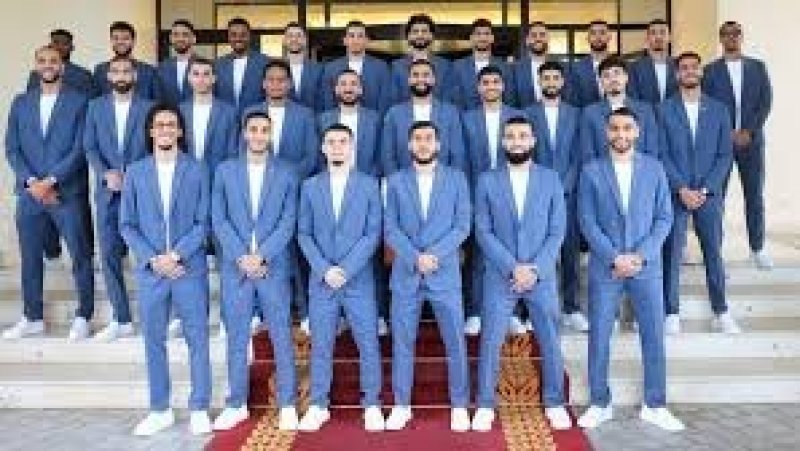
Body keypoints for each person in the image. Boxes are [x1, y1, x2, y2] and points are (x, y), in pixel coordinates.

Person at [576, 107, 683, 432]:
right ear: (606, 132)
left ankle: (655, 404)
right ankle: (599, 402)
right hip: (606, 268)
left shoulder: (654, 169)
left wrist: (640, 256)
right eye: (615, 128)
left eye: (627, 128)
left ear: (637, 132)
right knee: (599, 336)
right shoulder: (591, 171)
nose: (620, 134)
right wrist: (614, 257)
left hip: (646, 268)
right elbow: (587, 221)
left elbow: (664, 217)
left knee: (653, 336)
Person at [472, 116, 571, 432]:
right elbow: (483, 230)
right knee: (491, 340)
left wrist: (535, 268)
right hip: (501, 274)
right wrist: (512, 266)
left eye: (523, 136)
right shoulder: (487, 180)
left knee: (550, 339)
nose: (517, 141)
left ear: (533, 141)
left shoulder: (551, 179)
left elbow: (557, 230)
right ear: (503, 142)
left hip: (541, 276)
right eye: (511, 136)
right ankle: (485, 404)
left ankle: (554, 402)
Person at [120, 104, 212, 436]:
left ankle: (199, 407)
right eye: (159, 125)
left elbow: (204, 221)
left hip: (189, 269)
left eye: (171, 124)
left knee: (197, 339)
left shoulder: (197, 169)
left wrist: (176, 255)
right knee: (154, 341)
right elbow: (127, 225)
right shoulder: (136, 172)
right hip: (152, 272)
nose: (165, 130)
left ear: (180, 131)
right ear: (150, 131)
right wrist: (154, 259)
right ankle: (160, 410)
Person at [211, 110, 300, 431]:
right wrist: (241, 256)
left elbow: (288, 220)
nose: (259, 135)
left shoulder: (287, 172)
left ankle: (287, 404)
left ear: (270, 135)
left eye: (265, 130)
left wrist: (261, 256)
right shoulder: (225, 171)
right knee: (236, 337)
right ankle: (236, 404)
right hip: (236, 268)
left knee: (281, 335)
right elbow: (219, 218)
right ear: (245, 134)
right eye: (254, 129)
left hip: (272, 267)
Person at [384, 121, 472, 432]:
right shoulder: (395, 181)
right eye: (417, 139)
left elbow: (462, 225)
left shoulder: (457, 179)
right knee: (402, 342)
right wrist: (414, 257)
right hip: (406, 275)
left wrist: (434, 255)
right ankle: (401, 405)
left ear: (438, 144)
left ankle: (459, 405)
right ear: (410, 145)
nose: (423, 144)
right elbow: (390, 227)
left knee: (455, 342)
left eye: (428, 138)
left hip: (444, 273)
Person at [296, 124, 385, 432]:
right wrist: (325, 269)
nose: (337, 147)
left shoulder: (369, 185)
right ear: (323, 148)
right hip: (322, 280)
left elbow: (372, 233)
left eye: (342, 142)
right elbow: (304, 233)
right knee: (321, 345)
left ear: (352, 147)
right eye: (331, 142)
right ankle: (318, 405)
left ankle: (371, 404)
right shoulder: (310, 187)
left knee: (367, 343)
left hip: (357, 279)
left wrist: (345, 269)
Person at [3, 45, 94, 342]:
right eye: (42, 60)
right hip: (30, 194)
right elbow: (12, 148)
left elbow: (80, 148)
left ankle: (83, 315)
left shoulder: (80, 102)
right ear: (35, 65)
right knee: (30, 257)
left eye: (53, 61)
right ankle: (32, 317)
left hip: (66, 193)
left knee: (79, 255)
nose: (48, 65)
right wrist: (33, 182)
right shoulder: (21, 102)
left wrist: (52, 181)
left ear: (62, 66)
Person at [659, 52, 739, 334]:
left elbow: (725, 155)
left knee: (713, 251)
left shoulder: (719, 110)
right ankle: (671, 312)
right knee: (671, 252)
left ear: (701, 72)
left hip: (709, 194)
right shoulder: (664, 109)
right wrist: (681, 188)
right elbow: (662, 153)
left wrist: (705, 189)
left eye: (694, 67)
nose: (690, 71)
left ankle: (721, 310)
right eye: (684, 68)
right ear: (677, 74)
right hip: (676, 193)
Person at [84, 55, 153, 341]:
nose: (122, 75)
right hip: (108, 193)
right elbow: (89, 146)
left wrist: (132, 176)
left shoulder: (149, 108)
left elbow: (154, 147)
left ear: (135, 76)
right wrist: (106, 174)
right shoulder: (95, 107)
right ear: (109, 76)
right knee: (109, 256)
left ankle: (153, 316)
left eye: (127, 71)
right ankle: (121, 319)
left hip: (142, 195)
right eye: (116, 71)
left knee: (146, 255)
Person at [702, 20, 774, 269]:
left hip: (752, 142)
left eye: (736, 33)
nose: (731, 37)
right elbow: (707, 104)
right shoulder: (710, 71)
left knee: (754, 196)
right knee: (716, 198)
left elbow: (765, 102)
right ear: (720, 38)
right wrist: (727, 133)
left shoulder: (758, 67)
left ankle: (757, 249)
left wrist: (749, 131)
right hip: (721, 144)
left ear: (742, 37)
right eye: (726, 34)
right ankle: (716, 253)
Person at [525, 61, 589, 332]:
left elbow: (580, 154)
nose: (551, 82)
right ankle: (534, 310)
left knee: (570, 252)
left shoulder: (576, 114)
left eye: (555, 78)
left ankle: (572, 308)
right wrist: (545, 187)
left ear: (562, 82)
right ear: (539, 82)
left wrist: (564, 186)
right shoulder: (527, 113)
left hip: (568, 193)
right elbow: (525, 152)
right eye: (546, 78)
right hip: (536, 194)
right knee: (537, 251)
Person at [461, 65, 522, 335]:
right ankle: (475, 312)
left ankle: (514, 313)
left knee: (514, 252)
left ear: (503, 86)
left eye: (495, 81)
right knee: (477, 255)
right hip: (477, 192)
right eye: (485, 82)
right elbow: (461, 159)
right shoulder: (466, 118)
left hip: (512, 192)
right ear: (478, 88)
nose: (491, 86)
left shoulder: (517, 116)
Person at [381, 59, 465, 176]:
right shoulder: (393, 114)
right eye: (415, 75)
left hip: (443, 182)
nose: (420, 79)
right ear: (409, 80)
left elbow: (458, 155)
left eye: (426, 75)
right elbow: (387, 156)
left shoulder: (450, 113)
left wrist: (451, 181)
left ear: (434, 80)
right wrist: (397, 182)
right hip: (403, 183)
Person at [580, 56, 660, 161]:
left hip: (641, 170)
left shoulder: (646, 110)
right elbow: (588, 154)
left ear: (626, 77)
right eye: (606, 76)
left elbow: (652, 151)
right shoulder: (589, 113)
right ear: (600, 81)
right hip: (602, 170)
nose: (613, 79)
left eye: (617, 73)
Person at [320, 20, 392, 114]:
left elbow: (384, 102)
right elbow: (328, 102)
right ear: (345, 41)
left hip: (373, 121)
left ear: (366, 40)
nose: (355, 40)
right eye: (351, 36)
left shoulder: (381, 67)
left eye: (360, 36)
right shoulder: (330, 68)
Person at [451, 18, 515, 110]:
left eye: (486, 34)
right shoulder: (457, 67)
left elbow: (510, 100)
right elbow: (454, 101)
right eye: (478, 34)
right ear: (471, 38)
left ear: (492, 38)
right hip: (464, 117)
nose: (482, 38)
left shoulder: (505, 67)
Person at [390, 14, 454, 104]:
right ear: (408, 36)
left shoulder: (446, 66)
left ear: (432, 36)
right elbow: (393, 100)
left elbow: (449, 100)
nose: (420, 35)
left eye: (424, 31)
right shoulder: (396, 67)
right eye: (415, 31)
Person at [214, 17, 269, 113]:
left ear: (249, 36)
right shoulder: (218, 64)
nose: (238, 39)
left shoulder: (265, 62)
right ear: (228, 37)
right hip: (226, 117)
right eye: (233, 35)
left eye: (243, 35)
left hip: (256, 117)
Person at [94, 21, 160, 100]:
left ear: (133, 41)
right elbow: (96, 101)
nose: (120, 42)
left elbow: (156, 102)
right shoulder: (100, 70)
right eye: (116, 38)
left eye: (125, 38)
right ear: (111, 41)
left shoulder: (149, 71)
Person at [628, 19, 678, 104]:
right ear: (647, 38)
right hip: (644, 112)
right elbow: (633, 100)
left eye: (662, 32)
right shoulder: (633, 68)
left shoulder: (679, 65)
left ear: (669, 37)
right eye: (653, 33)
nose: (658, 37)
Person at [568, 20, 612, 108]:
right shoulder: (575, 68)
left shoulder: (624, 66)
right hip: (586, 115)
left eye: (602, 33)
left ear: (609, 37)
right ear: (587, 38)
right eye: (593, 33)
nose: (598, 37)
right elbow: (573, 102)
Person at [283, 22, 325, 112]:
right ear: (284, 40)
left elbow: (323, 101)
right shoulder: (276, 69)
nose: (294, 39)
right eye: (290, 36)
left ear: (305, 40)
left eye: (299, 36)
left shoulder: (319, 70)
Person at [157, 19, 196, 106]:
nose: (180, 39)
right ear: (171, 39)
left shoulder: (206, 65)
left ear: (194, 39)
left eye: (185, 34)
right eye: (176, 35)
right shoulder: (161, 68)